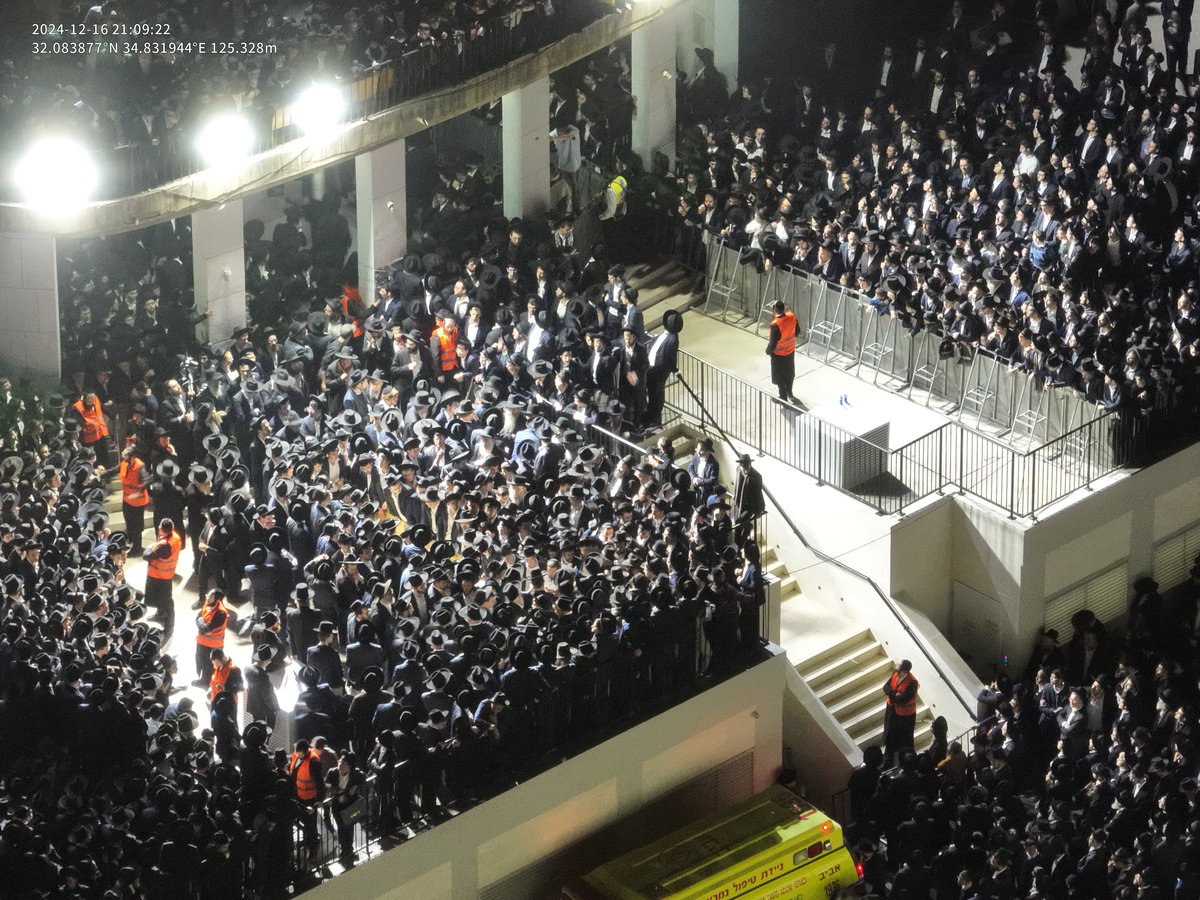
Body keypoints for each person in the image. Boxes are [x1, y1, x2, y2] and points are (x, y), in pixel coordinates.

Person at [143, 517, 183, 640]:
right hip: (166, 575)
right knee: (161, 601)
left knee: (166, 602)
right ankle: (160, 614)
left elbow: (146, 556)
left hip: (159, 576)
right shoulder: (175, 537)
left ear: (161, 529)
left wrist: (150, 547)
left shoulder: (164, 545)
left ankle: (170, 626)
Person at [326, 750, 366, 864]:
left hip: (350, 806)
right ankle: (345, 849)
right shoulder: (332, 772)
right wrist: (337, 790)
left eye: (343, 764)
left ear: (349, 766)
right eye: (340, 762)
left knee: (349, 826)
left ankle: (349, 849)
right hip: (337, 806)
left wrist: (356, 787)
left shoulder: (355, 775)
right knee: (341, 827)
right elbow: (326, 783)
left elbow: (364, 779)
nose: (340, 765)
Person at [882, 659, 919, 763]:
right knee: (889, 733)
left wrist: (895, 695)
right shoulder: (895, 674)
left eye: (899, 664)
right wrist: (895, 694)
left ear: (904, 670)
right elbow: (886, 687)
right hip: (892, 709)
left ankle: (906, 758)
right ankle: (888, 758)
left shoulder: (912, 682)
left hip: (905, 715)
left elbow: (905, 699)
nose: (896, 665)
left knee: (904, 737)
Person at [194, 589, 229, 687]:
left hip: (213, 645)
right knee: (200, 661)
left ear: (217, 600)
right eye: (207, 595)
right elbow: (198, 618)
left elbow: (205, 628)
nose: (207, 598)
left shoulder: (221, 613)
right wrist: (201, 624)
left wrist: (201, 624)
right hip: (202, 641)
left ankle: (206, 683)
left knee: (208, 666)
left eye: (210, 597)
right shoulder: (208, 605)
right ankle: (203, 680)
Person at [765, 301, 798, 404]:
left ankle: (783, 398)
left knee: (780, 377)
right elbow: (797, 331)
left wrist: (768, 351)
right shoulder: (792, 316)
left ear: (775, 310)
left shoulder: (775, 324)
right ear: (783, 308)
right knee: (789, 373)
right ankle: (789, 392)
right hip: (790, 351)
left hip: (778, 355)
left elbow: (773, 343)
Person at [119, 444, 150, 554]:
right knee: (129, 524)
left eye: (127, 457)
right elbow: (114, 470)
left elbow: (146, 480)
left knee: (137, 525)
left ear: (132, 457)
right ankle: (132, 545)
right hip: (126, 500)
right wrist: (101, 475)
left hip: (137, 501)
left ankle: (137, 548)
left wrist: (138, 492)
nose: (124, 459)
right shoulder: (124, 464)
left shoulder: (140, 466)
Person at [246, 644, 280, 730]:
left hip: (253, 705)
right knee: (266, 729)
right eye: (270, 659)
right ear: (266, 660)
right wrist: (274, 709)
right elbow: (267, 697)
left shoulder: (248, 668)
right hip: (262, 709)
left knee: (256, 726)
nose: (270, 661)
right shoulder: (263, 676)